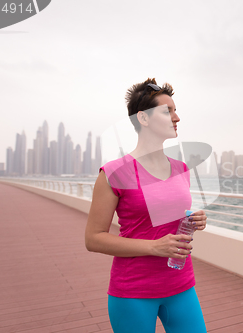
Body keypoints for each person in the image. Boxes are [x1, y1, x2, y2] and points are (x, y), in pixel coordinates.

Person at [85, 78, 208, 333]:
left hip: (181, 285)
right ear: (143, 119)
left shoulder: (181, 169)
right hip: (133, 292)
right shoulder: (113, 172)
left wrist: (194, 220)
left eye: (175, 110)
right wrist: (154, 246)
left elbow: (163, 221)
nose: (177, 118)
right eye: (168, 111)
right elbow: (93, 239)